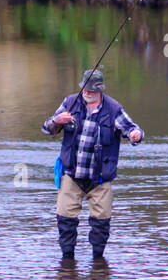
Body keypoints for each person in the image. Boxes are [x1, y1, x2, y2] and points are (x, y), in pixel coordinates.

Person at [42, 68, 144, 261]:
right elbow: (46, 128)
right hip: (71, 174)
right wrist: (57, 120)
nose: (87, 92)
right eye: (85, 89)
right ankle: (68, 261)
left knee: (101, 225)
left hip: (100, 178)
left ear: (100, 90)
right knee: (65, 222)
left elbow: (133, 129)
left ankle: (98, 262)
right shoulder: (70, 103)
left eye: (91, 90)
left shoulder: (113, 109)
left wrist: (135, 135)